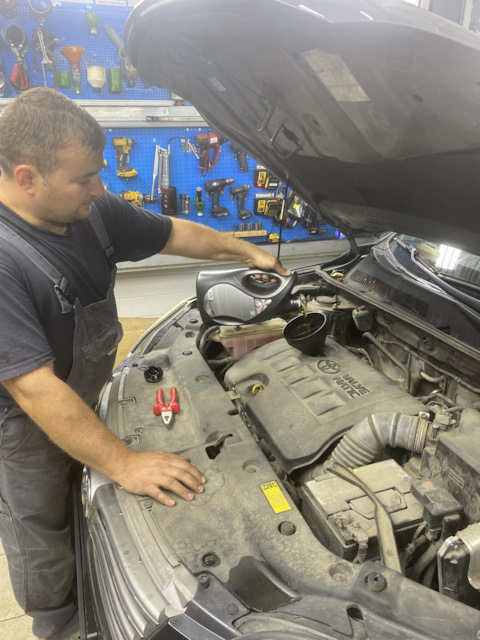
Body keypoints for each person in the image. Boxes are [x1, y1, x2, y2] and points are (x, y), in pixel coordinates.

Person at [0, 87, 289, 640]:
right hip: (22, 425)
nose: (99, 188)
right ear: (27, 178)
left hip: (83, 395)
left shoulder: (93, 213)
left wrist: (244, 250)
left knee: (85, 508)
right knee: (43, 538)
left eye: (98, 173)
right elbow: (35, 389)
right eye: (83, 179)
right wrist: (125, 463)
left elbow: (172, 232)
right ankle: (61, 627)